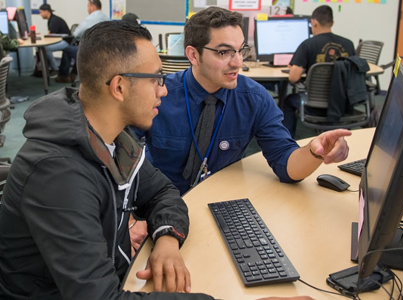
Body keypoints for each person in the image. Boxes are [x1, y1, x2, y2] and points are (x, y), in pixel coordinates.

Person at [0, 20, 313, 300]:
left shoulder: (114, 136)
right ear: (119, 87)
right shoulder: (59, 175)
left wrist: (166, 237)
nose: (164, 90)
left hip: (118, 272)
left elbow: (163, 193)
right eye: (155, 79)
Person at [136, 6, 351, 197]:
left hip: (220, 201)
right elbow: (121, 157)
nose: (238, 62)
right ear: (193, 55)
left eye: (241, 51)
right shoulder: (158, 94)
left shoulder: (254, 99)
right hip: (159, 203)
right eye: (224, 52)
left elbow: (286, 165)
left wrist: (315, 151)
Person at [282, 5, 356, 138]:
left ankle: (287, 142)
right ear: (332, 23)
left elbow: (293, 78)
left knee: (287, 101)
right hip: (343, 105)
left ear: (314, 22)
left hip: (314, 108)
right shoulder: (348, 44)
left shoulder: (308, 44)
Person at [55, 0, 109, 83]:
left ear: (92, 6)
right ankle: (73, 74)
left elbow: (76, 33)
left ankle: (64, 76)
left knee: (68, 49)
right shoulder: (106, 18)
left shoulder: (91, 18)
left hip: (90, 51)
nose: (87, 9)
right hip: (104, 51)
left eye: (88, 6)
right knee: (79, 50)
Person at [39, 3, 71, 75]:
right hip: (62, 40)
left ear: (46, 11)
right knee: (44, 47)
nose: (40, 14)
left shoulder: (54, 21)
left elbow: (50, 36)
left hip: (66, 41)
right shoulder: (52, 19)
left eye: (41, 12)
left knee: (46, 48)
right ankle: (50, 67)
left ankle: (55, 68)